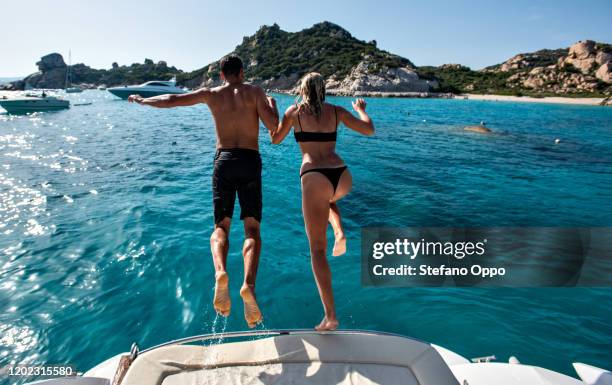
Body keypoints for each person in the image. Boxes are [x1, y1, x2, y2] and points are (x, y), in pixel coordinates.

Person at [128, 55, 278, 328]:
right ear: (242, 73)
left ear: (221, 74)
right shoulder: (255, 92)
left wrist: (142, 100)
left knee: (221, 227)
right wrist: (273, 107)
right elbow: (274, 127)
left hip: (224, 161)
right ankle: (248, 285)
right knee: (252, 230)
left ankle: (220, 272)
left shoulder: (211, 94)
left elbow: (171, 101)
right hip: (249, 160)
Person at [271, 72, 374, 330]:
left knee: (317, 251)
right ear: (323, 89)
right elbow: (369, 129)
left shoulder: (294, 112)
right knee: (328, 201)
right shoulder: (337, 112)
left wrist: (273, 110)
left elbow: (275, 138)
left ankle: (330, 316)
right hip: (342, 175)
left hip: (314, 175)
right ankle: (339, 231)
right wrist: (361, 110)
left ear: (303, 90)